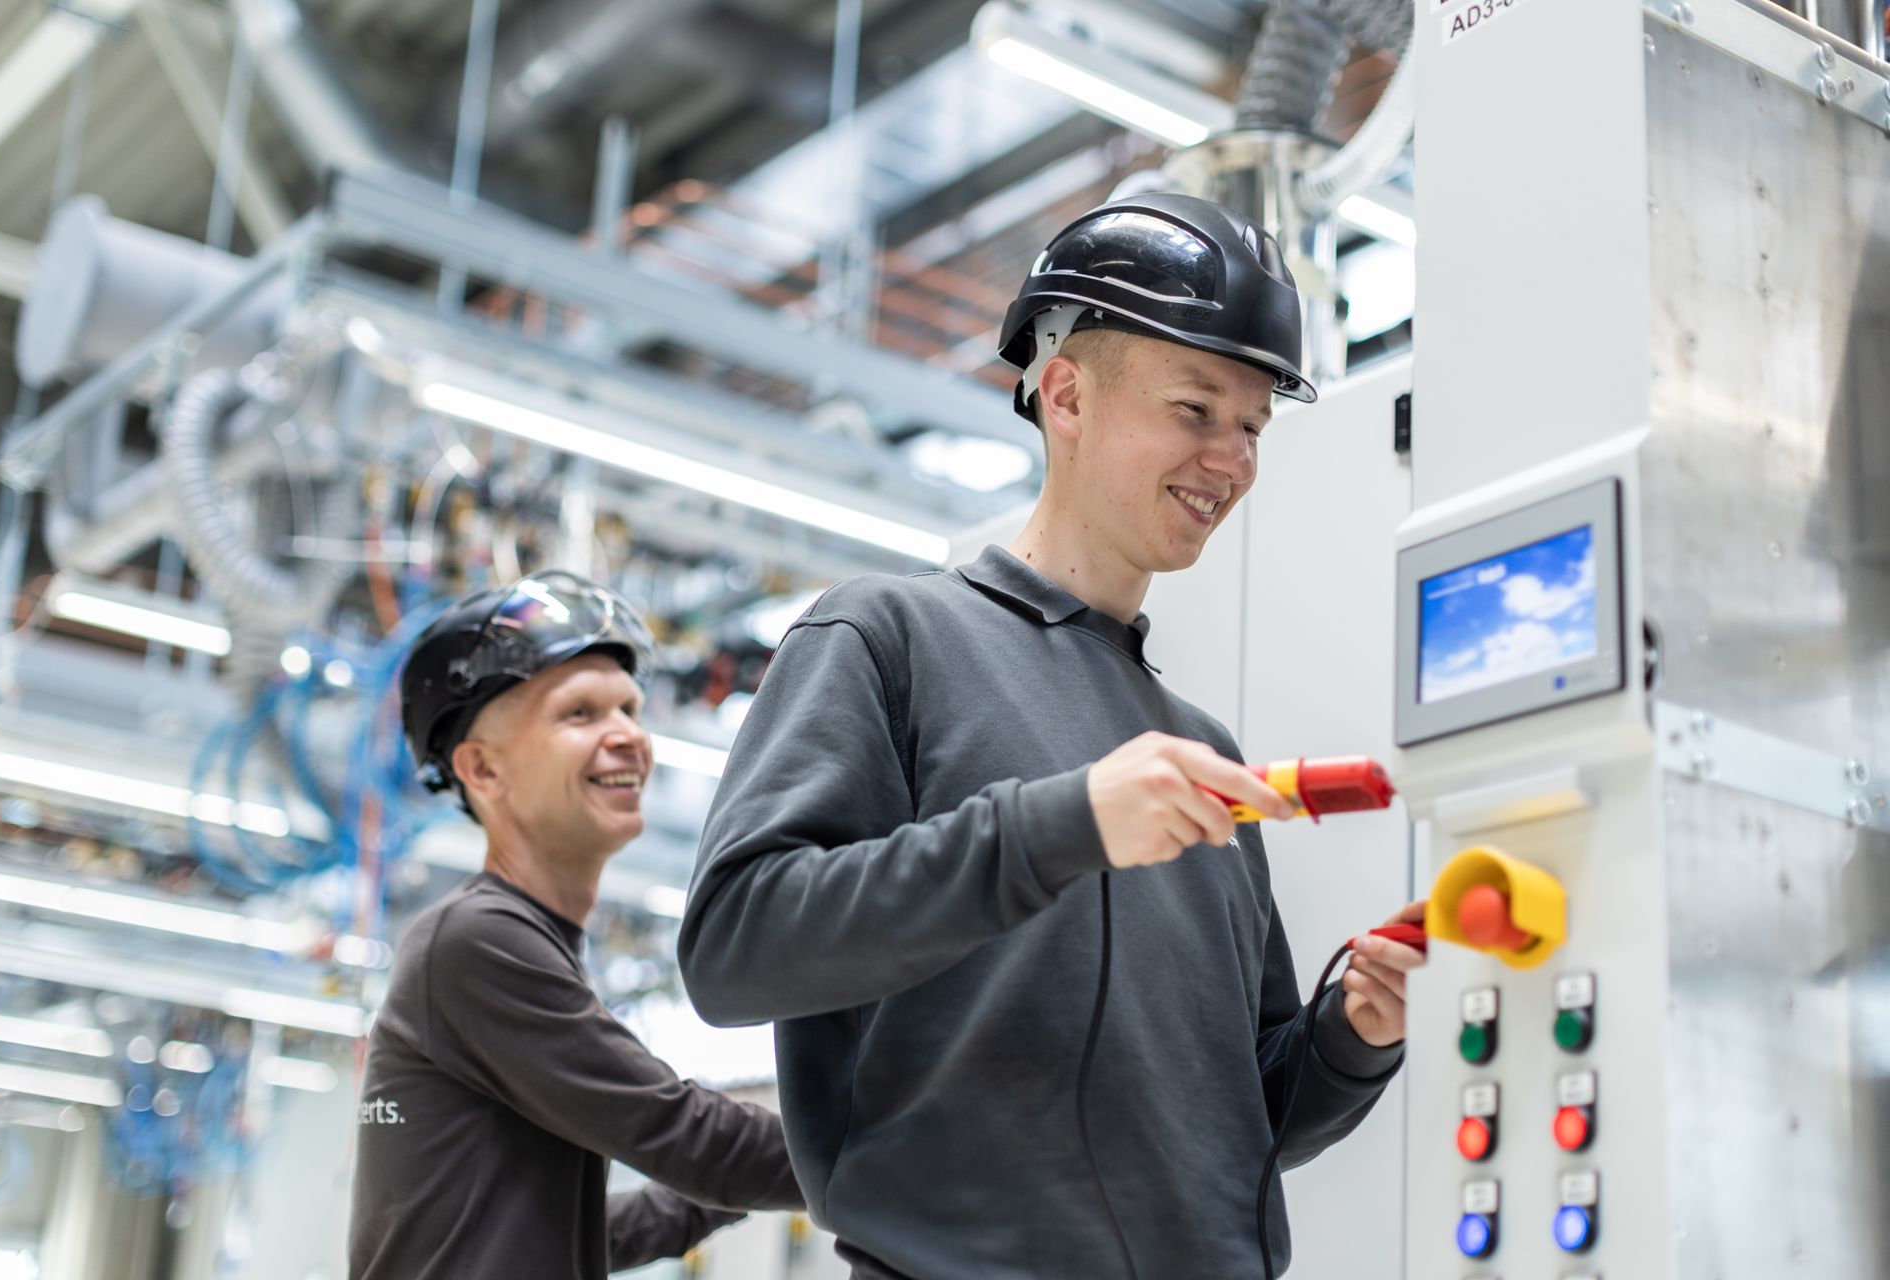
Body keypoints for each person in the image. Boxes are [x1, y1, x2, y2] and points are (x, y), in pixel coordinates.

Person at [676, 192, 1426, 1279]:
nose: (1233, 459)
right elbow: (734, 949)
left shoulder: (1196, 748)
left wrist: (1351, 1030)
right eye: (1195, 408)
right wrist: (1055, 824)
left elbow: (1235, 1124)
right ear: (1067, 393)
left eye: (1253, 425)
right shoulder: (887, 639)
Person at [349, 570, 805, 1279]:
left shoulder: (518, 944)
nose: (629, 735)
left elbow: (560, 1231)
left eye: (629, 708)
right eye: (581, 714)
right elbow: (679, 1133)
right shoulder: (478, 940)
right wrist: (893, 1154)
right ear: (482, 769)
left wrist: (716, 1194)